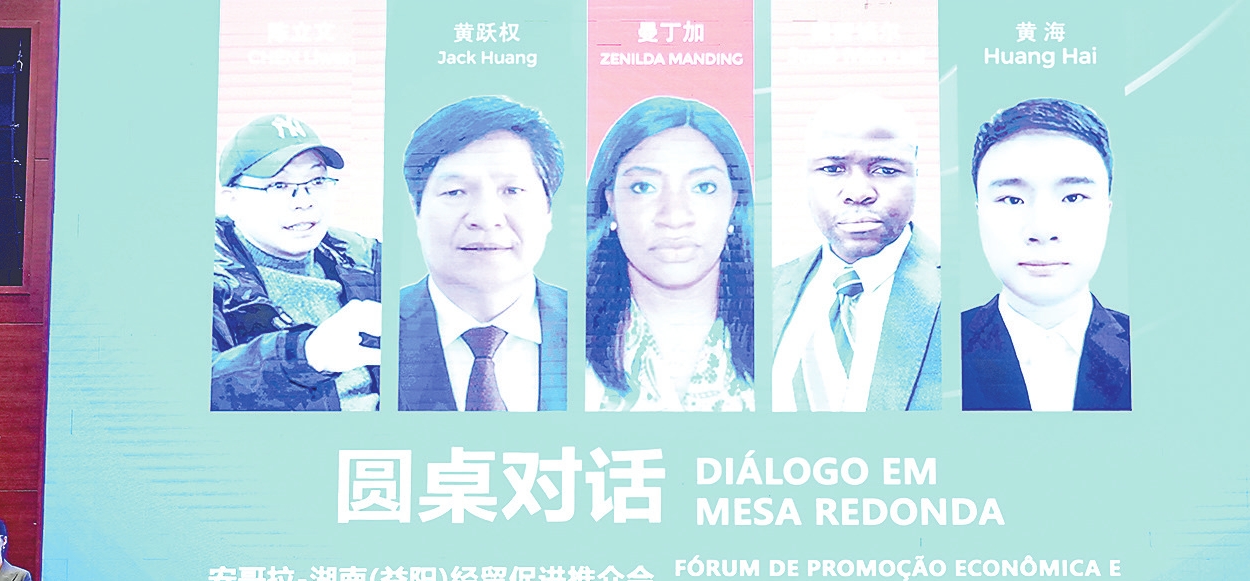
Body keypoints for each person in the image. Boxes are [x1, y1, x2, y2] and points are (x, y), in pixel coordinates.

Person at [584, 96, 755, 411]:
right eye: (643, 187)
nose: (674, 216)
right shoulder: (565, 339)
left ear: (733, 203)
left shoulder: (781, 327)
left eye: (703, 187)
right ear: (611, 203)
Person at [772, 96, 941, 411]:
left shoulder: (957, 295)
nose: (858, 193)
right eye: (832, 169)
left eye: (885, 170)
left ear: (916, 173)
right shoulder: (764, 291)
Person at [398, 96, 567, 411]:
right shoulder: (375, 331)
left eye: (512, 190)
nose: (486, 218)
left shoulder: (595, 328)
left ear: (548, 210)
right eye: (455, 192)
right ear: (416, 210)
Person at [962, 98, 1129, 411]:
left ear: (1107, 211)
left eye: (1073, 197)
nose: (1042, 229)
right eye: (1012, 199)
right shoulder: (941, 346)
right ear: (979, 212)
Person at [212, 113, 382, 411]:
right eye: (279, 185)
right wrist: (304, 355)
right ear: (231, 200)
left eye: (316, 181)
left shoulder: (366, 258)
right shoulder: (203, 277)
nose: (304, 201)